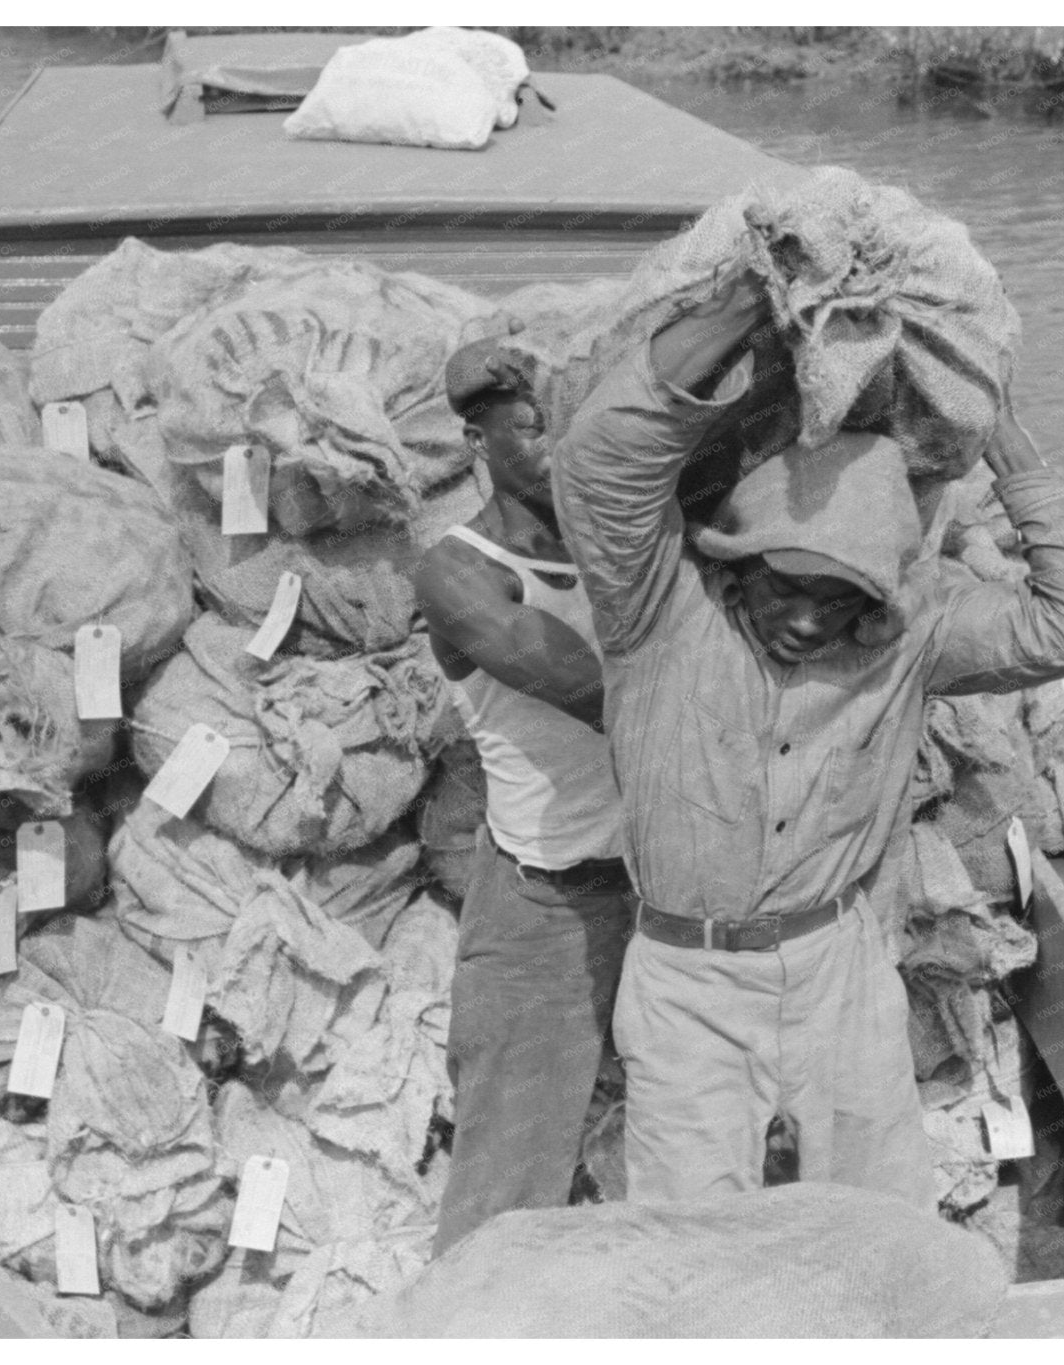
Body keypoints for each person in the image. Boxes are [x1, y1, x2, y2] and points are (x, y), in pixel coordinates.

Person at [550, 270, 1064, 1206]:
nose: (812, 624)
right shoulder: (657, 609)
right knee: (696, 1248)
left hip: (840, 972)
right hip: (686, 985)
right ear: (737, 561)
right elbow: (602, 460)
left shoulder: (915, 634)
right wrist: (754, 290)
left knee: (877, 1228)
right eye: (788, 587)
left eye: (843, 601)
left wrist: (999, 433)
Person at [416, 352, 631, 1254]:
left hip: (663, 894)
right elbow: (595, 694)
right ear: (479, 440)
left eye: (573, 424)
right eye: (538, 426)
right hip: (550, 907)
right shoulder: (457, 571)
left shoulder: (625, 544)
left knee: (673, 1164)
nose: (560, 447)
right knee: (505, 1189)